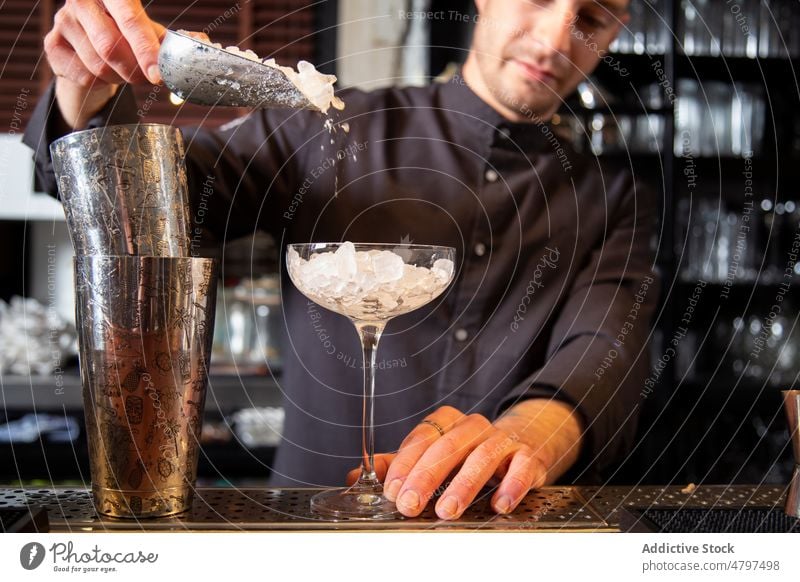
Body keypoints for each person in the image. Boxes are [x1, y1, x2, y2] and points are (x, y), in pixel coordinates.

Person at [24, 0, 657, 521]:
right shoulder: (326, 124)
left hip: (495, 526)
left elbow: (604, 345)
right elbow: (145, 204)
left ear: (613, 34)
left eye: (591, 18)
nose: (554, 37)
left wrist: (526, 436)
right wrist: (88, 91)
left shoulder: (613, 196)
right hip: (306, 524)